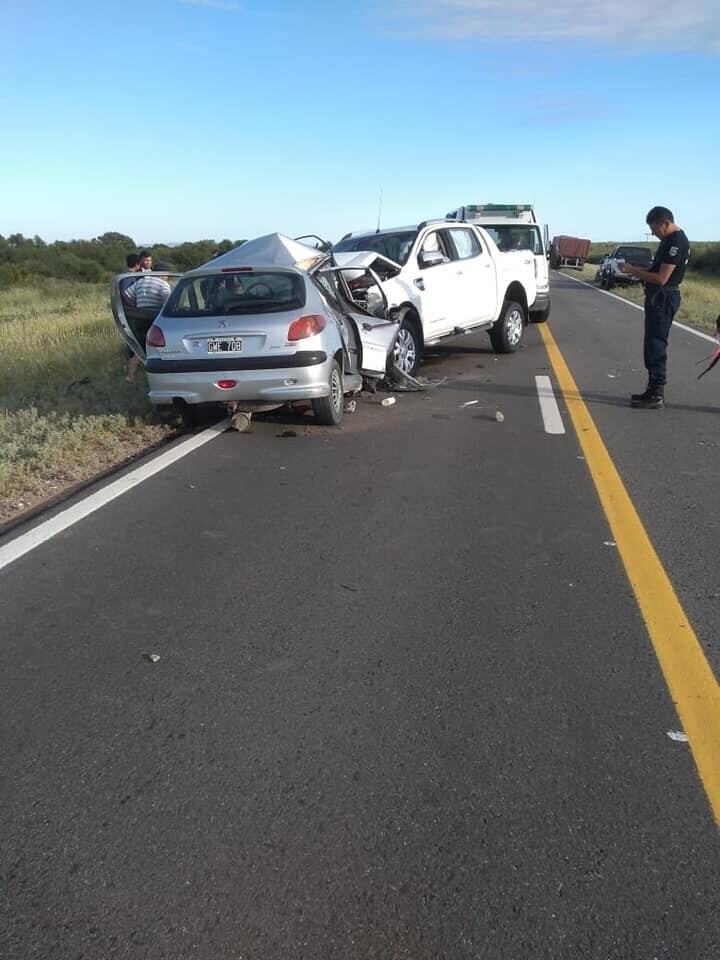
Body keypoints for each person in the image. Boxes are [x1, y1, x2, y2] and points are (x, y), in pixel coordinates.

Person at [621, 206, 690, 409]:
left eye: (654, 229)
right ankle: (652, 389)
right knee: (652, 343)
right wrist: (635, 270)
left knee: (656, 344)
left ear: (665, 223)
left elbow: (661, 278)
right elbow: (655, 271)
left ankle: (657, 392)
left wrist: (633, 270)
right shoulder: (669, 241)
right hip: (660, 296)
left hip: (663, 296)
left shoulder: (676, 242)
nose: (653, 233)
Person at [122, 263, 172, 382]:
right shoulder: (163, 284)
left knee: (138, 347)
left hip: (139, 319)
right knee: (154, 348)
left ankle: (131, 376)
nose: (167, 278)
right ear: (163, 274)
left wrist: (136, 306)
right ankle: (159, 378)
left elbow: (125, 294)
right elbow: (167, 301)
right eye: (167, 276)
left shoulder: (141, 281)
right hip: (155, 320)